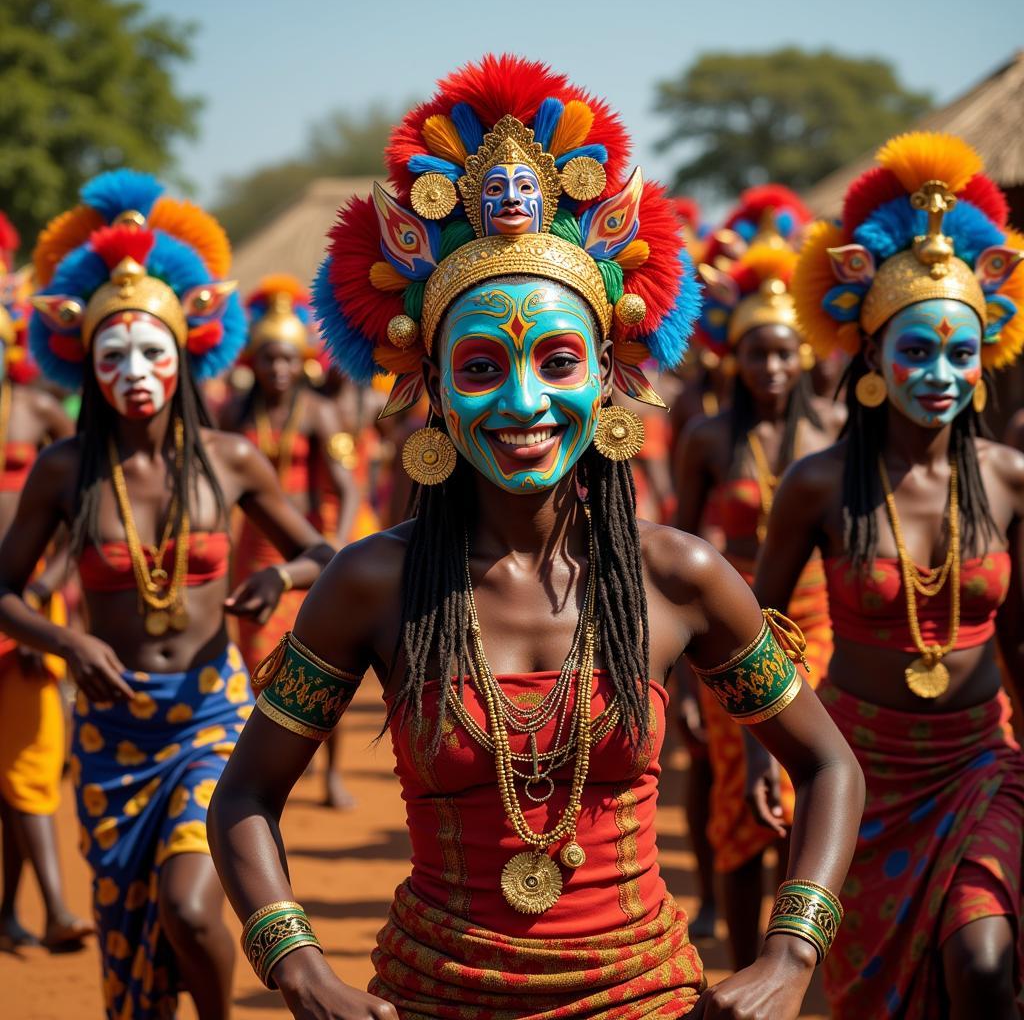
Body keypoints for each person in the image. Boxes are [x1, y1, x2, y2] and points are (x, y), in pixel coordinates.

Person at [209, 55, 863, 1020]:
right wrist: (300, 969)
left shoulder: (675, 576)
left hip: (643, 995)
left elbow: (829, 764)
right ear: (430, 388)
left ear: (608, 376)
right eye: (481, 365)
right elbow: (244, 798)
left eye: (557, 361)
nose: (524, 402)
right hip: (437, 995)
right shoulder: (373, 583)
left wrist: (791, 955)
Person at [0, 171, 334, 1019]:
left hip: (210, 717)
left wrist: (280, 575)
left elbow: (323, 551)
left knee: (191, 906)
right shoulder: (64, 471)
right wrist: (68, 642)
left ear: (185, 350)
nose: (134, 371)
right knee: (130, 941)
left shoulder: (229, 461)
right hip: (112, 731)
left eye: (152, 349)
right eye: (112, 354)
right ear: (87, 364)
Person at [756, 131, 1024, 1018]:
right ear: (871, 355)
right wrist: (770, 749)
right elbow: (758, 635)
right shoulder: (819, 484)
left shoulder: (1009, 480)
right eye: (916, 351)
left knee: (983, 966)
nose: (940, 374)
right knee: (873, 998)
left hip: (982, 761)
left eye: (960, 353)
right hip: (856, 769)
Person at [673, 240, 843, 968]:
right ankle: (743, 964)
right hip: (730, 635)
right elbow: (677, 552)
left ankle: (795, 949)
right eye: (757, 354)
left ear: (803, 355)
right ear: (733, 358)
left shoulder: (835, 434)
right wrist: (682, 672)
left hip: (823, 632)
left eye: (783, 353)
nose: (771, 368)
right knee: (741, 803)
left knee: (813, 789)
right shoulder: (710, 438)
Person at [221, 276, 358, 808]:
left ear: (300, 360)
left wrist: (338, 547)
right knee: (259, 659)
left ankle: (331, 774)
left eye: (286, 359)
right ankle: (268, 773)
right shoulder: (235, 417)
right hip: (253, 551)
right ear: (253, 361)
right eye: (269, 359)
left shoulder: (320, 414)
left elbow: (345, 487)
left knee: (325, 665)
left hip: (313, 551)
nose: (278, 369)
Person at [0, 219, 90, 951]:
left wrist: (40, 603)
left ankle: (55, 909)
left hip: (25, 614)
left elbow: (81, 519)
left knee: (29, 766)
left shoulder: (37, 414)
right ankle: (13, 911)